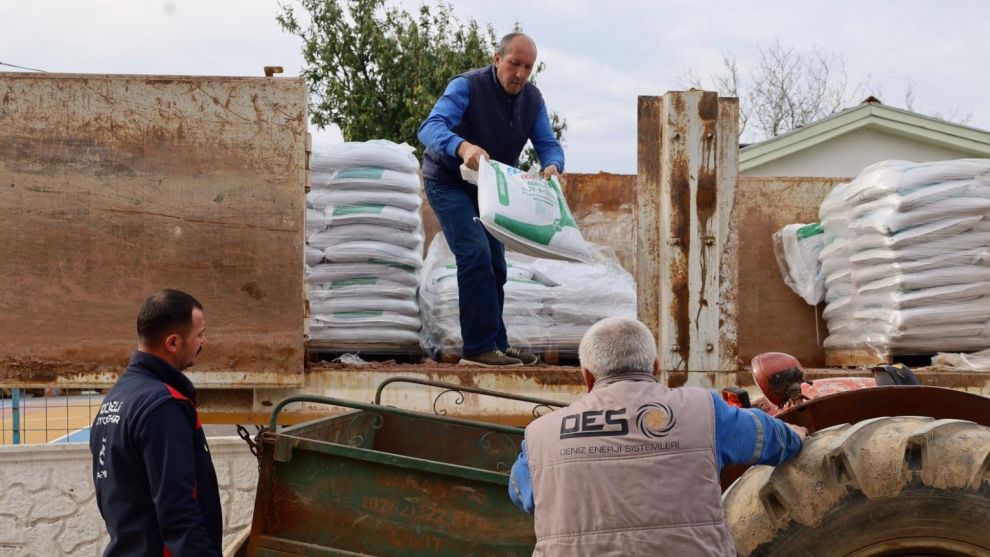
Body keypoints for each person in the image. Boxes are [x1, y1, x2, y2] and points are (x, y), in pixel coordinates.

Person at [508, 317, 807, 556]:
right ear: (655, 367)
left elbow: (522, 495)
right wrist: (792, 430)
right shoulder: (706, 411)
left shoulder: (540, 435)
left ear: (586, 377)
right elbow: (776, 441)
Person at [418, 32, 565, 367]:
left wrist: (554, 166)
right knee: (474, 252)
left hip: (490, 189)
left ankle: (496, 343)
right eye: (514, 63)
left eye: (528, 67)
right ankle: (478, 348)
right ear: (497, 59)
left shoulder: (532, 100)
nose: (520, 74)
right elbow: (430, 127)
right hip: (449, 181)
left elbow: (548, 143)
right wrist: (463, 147)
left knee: (497, 264)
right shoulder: (467, 86)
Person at [90, 289, 221, 556]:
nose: (203, 343)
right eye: (199, 335)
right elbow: (179, 509)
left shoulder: (118, 398)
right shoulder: (164, 406)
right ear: (173, 342)